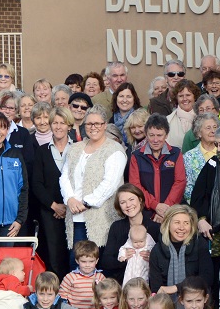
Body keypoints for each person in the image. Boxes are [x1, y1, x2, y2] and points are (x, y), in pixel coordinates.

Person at [59, 106, 127, 254]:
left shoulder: (114, 150)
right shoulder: (75, 148)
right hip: (75, 217)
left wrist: (86, 203)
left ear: (104, 125)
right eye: (89, 124)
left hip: (101, 218)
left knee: (100, 264)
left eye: (98, 124)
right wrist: (70, 199)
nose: (93, 127)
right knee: (77, 263)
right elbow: (64, 176)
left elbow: (110, 184)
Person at [32, 107, 74, 273]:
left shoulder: (78, 149)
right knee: (53, 256)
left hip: (73, 210)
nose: (58, 126)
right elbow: (36, 183)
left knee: (71, 252)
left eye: (62, 123)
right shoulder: (42, 151)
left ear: (69, 126)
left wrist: (66, 206)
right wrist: (55, 206)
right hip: (49, 211)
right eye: (55, 122)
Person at [127, 114, 186, 223]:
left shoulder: (176, 153)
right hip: (145, 211)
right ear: (146, 134)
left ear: (166, 135)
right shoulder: (136, 156)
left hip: (172, 211)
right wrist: (155, 205)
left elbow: (180, 182)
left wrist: (166, 208)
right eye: (151, 135)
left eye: (159, 135)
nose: (155, 140)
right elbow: (135, 185)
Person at [99, 184, 162, 284]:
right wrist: (124, 260)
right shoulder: (116, 227)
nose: (128, 205)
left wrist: (153, 258)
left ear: (140, 200)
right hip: (121, 284)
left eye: (131, 199)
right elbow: (106, 261)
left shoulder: (155, 228)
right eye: (123, 202)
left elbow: (164, 261)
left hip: (149, 285)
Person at [149, 205, 213, 297]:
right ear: (168, 224)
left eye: (186, 223)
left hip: (196, 303)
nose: (181, 227)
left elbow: (207, 279)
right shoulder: (157, 250)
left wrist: (176, 288)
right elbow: (157, 289)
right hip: (166, 306)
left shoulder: (199, 244)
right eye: (177, 222)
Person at [182, 113, 219, 202]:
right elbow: (188, 188)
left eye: (215, 127)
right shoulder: (189, 157)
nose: (213, 131)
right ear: (199, 133)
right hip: (199, 206)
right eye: (208, 128)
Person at [165, 80, 200, 150]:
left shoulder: (202, 119)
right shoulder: (167, 121)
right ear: (176, 98)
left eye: (188, 95)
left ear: (194, 97)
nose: (185, 99)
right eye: (181, 96)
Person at [119, 224, 156, 288]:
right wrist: (122, 256)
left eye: (141, 241)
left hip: (143, 266)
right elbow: (123, 248)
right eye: (135, 242)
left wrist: (151, 256)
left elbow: (154, 250)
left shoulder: (148, 242)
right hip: (131, 267)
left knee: (143, 282)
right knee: (128, 281)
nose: (138, 244)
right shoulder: (129, 242)